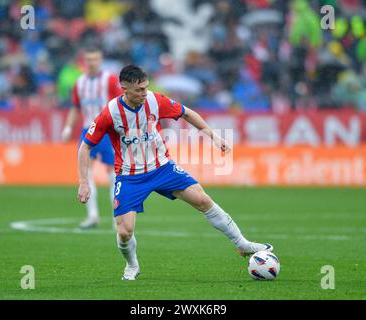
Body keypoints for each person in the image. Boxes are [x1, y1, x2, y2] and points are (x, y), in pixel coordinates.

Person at [77, 65, 273, 280]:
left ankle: (242, 243)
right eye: (139, 90)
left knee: (202, 199)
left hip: (163, 167)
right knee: (125, 231)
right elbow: (85, 146)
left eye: (145, 87)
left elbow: (188, 113)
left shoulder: (155, 100)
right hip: (130, 176)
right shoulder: (110, 112)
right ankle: (132, 265)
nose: (144, 93)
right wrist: (84, 182)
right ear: (124, 88)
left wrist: (213, 136)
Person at [62, 46, 123, 229]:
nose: (92, 62)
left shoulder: (110, 80)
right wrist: (67, 127)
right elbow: (75, 107)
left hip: (107, 132)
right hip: (87, 130)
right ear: (84, 61)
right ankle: (92, 215)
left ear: (101, 60)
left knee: (113, 174)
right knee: (85, 174)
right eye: (89, 59)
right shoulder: (79, 82)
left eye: (95, 59)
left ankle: (116, 217)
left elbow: (120, 103)